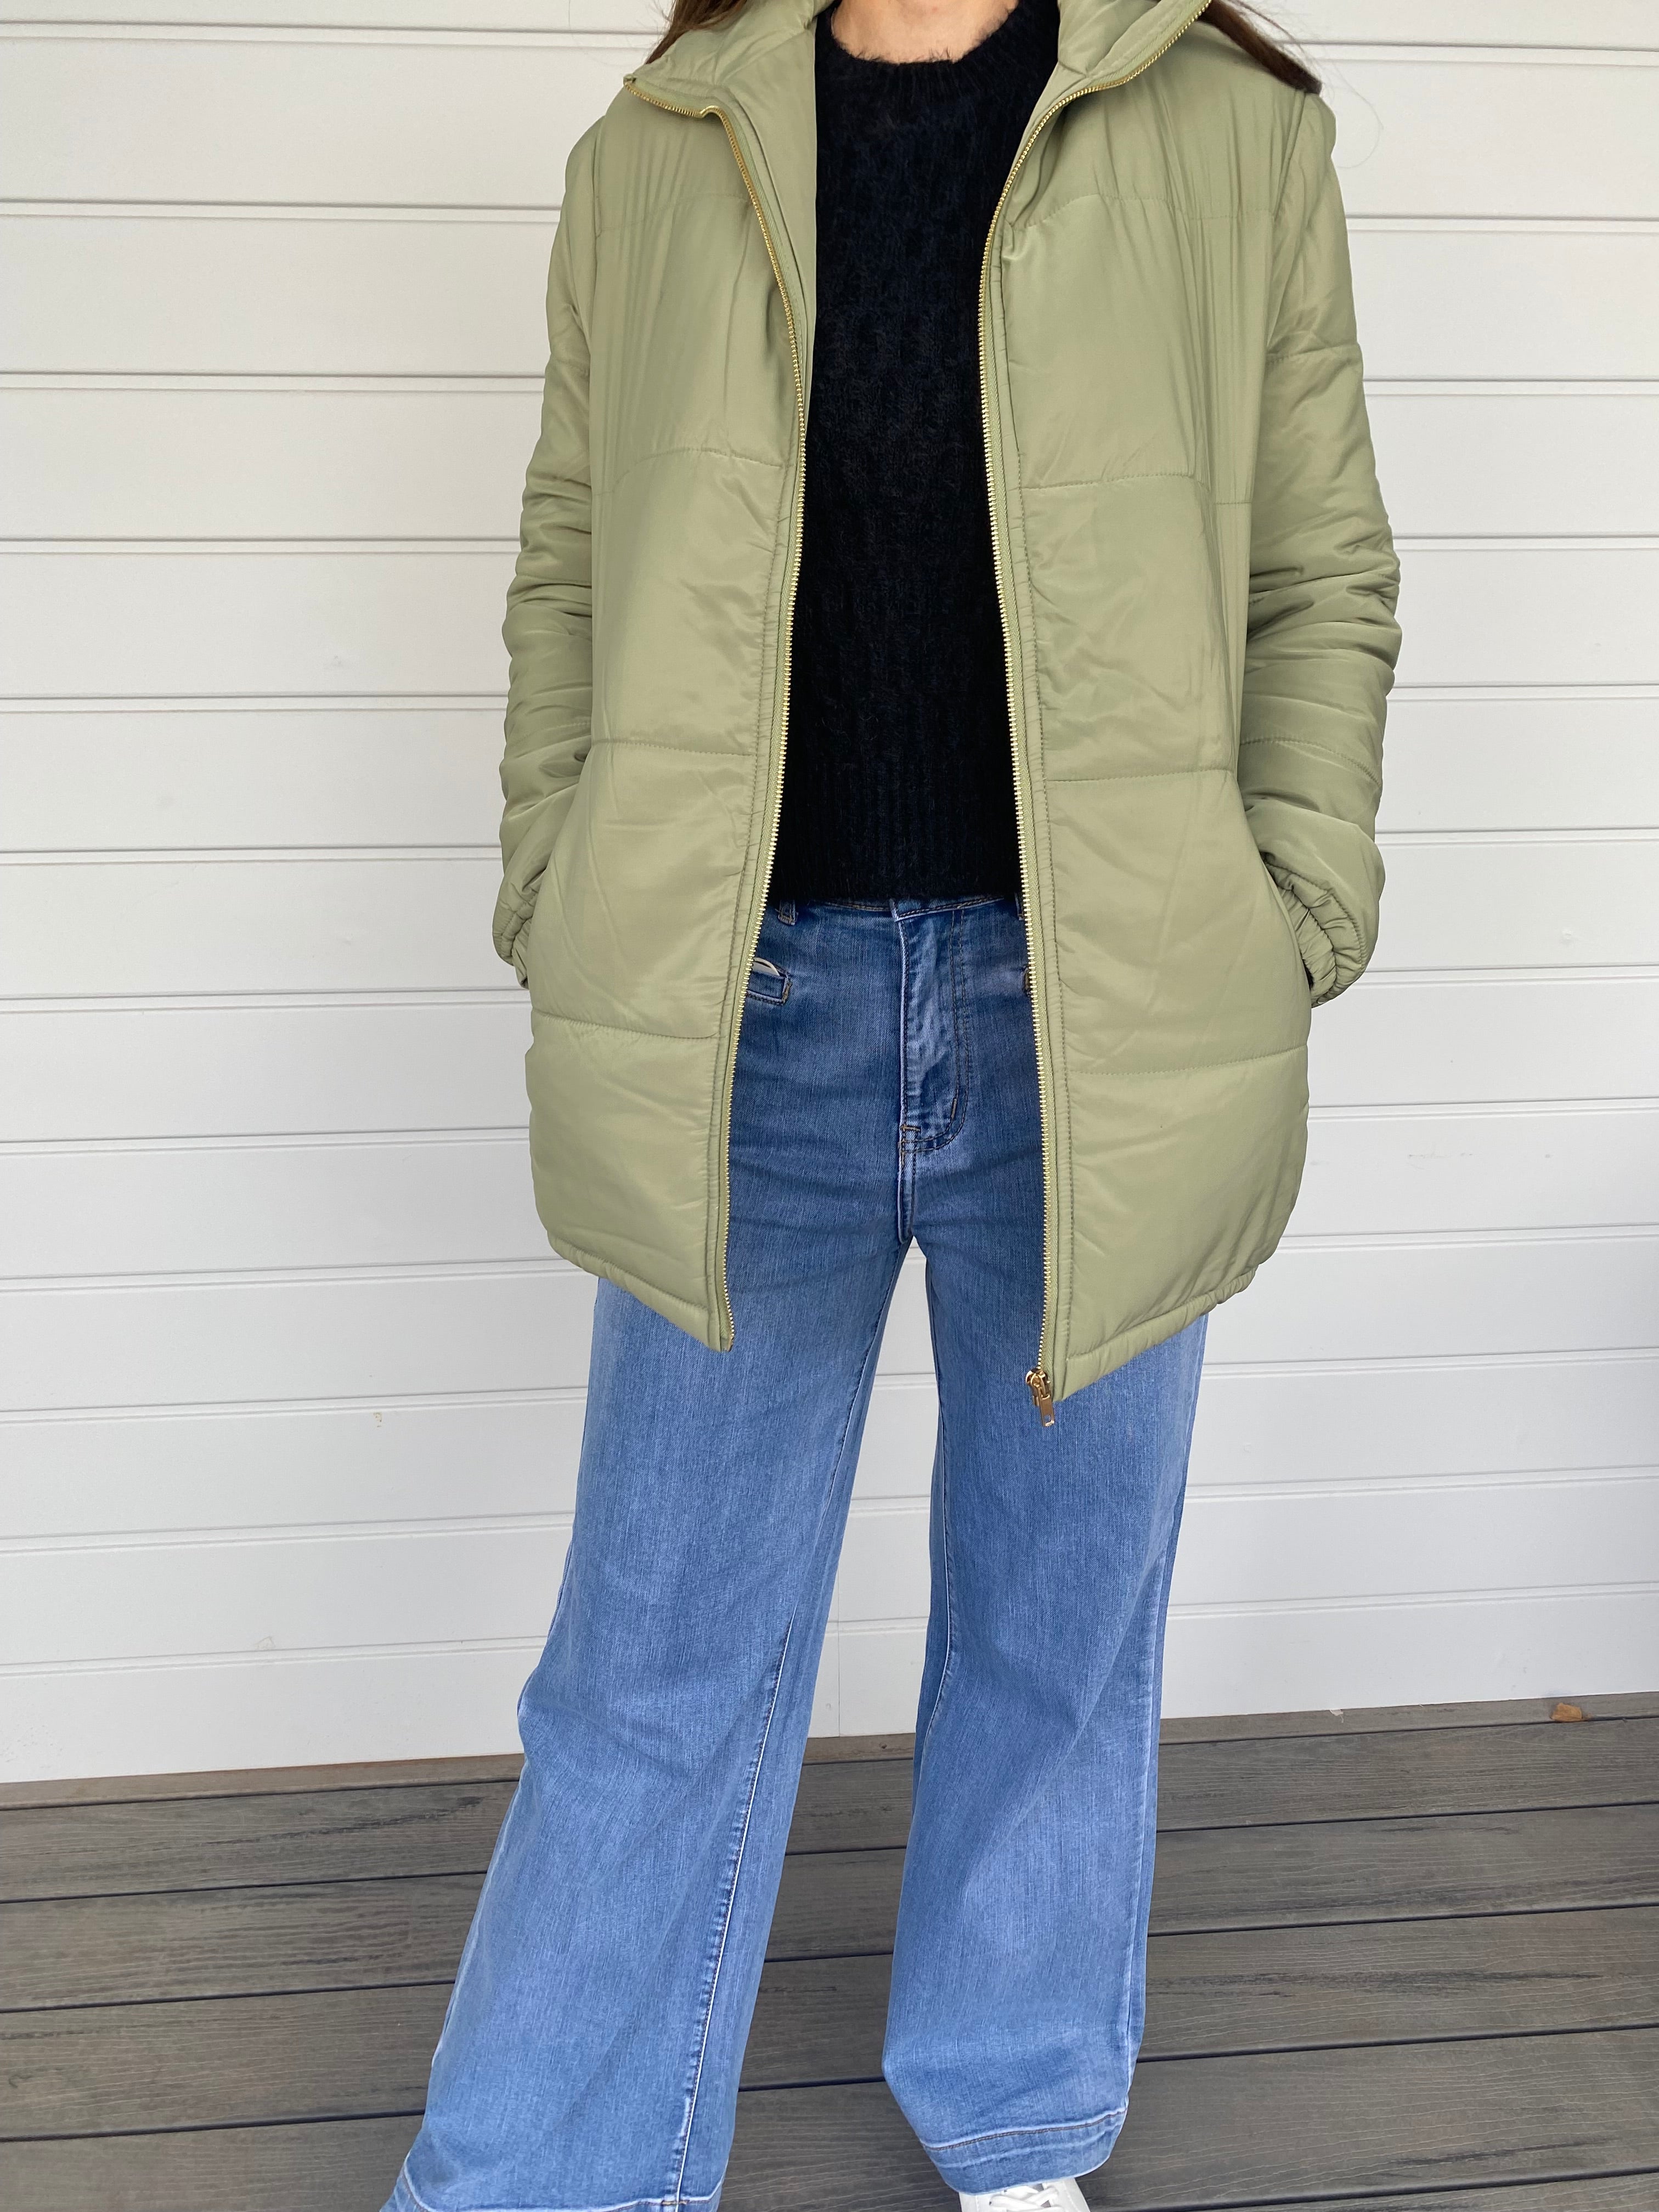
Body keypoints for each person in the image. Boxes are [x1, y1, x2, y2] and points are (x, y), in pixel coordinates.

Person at [383, 0, 1399, 2198]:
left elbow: (1320, 568)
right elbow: (572, 549)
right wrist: (560, 882)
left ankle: (1019, 2109)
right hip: (735, 1015)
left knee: (1060, 1622)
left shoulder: (1228, 131)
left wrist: (1289, 904)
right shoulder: (658, 145)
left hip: (1107, 1019)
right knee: (649, 1664)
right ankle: (541, 2174)